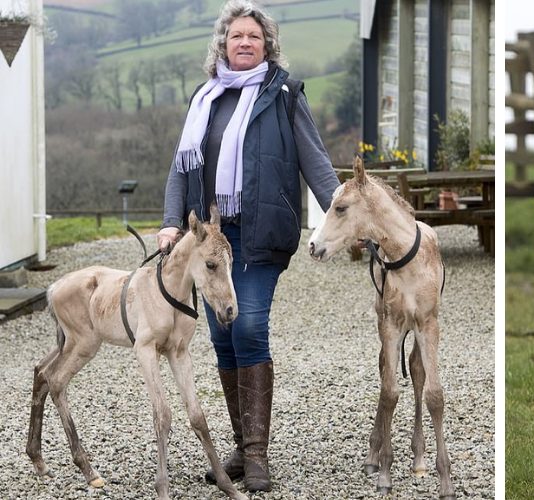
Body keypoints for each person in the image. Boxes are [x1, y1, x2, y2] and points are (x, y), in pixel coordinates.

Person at [156, 0, 340, 492]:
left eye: (253, 37)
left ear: (267, 45)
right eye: (236, 35)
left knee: (249, 323)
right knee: (221, 335)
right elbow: (181, 168)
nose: (244, 43)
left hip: (259, 235)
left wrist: (343, 220)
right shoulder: (206, 98)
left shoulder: (283, 94)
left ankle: (256, 455)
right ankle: (240, 446)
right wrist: (172, 223)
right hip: (208, 241)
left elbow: (316, 162)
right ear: (223, 42)